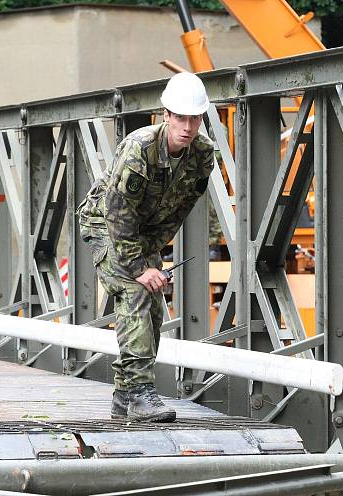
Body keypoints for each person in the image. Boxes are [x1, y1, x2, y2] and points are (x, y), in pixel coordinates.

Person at [77, 72, 214, 422]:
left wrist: (152, 255)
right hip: (104, 222)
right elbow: (117, 212)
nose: (186, 126)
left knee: (153, 305)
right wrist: (140, 268)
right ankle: (139, 393)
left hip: (141, 232)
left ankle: (124, 397)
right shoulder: (140, 148)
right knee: (135, 291)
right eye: (180, 117)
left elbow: (179, 210)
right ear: (165, 115)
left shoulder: (202, 154)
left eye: (194, 118)